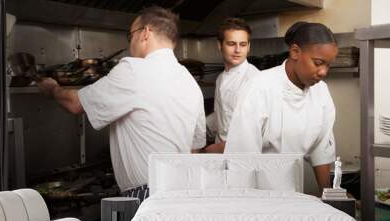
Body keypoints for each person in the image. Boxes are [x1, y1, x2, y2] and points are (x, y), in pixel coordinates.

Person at [37, 6, 206, 192]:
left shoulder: (134, 70)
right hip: (183, 190)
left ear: (145, 33)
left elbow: (75, 104)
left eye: (130, 36)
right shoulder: (190, 82)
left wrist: (52, 88)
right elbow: (195, 148)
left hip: (147, 194)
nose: (130, 43)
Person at [225, 21, 338, 191]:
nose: (323, 72)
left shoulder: (321, 92)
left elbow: (321, 150)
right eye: (317, 63)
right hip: (259, 194)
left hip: (296, 193)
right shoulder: (260, 87)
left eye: (327, 65)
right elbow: (241, 158)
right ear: (295, 52)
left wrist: (331, 195)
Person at [204, 18, 260, 153]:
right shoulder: (220, 78)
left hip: (242, 154)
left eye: (243, 44)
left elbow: (256, 130)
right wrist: (199, 128)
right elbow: (221, 114)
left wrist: (219, 148)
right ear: (220, 45)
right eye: (231, 44)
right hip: (221, 152)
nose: (237, 50)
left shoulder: (254, 79)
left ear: (249, 47)